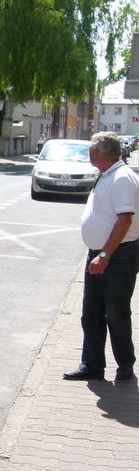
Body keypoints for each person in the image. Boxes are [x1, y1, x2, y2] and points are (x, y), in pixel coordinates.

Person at [63, 131, 139, 382]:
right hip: (99, 254)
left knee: (115, 313)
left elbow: (125, 219)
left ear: (96, 152)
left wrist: (105, 254)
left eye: (90, 150)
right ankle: (92, 364)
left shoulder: (121, 178)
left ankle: (125, 365)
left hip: (117, 256)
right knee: (91, 312)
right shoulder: (108, 174)